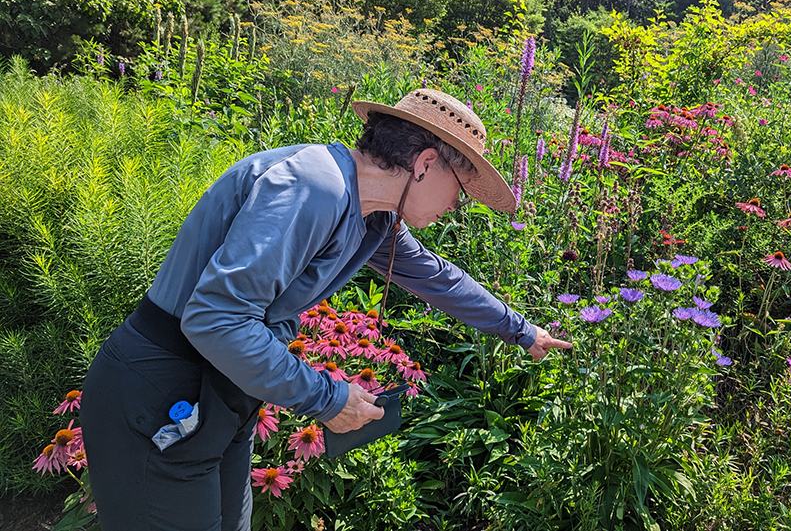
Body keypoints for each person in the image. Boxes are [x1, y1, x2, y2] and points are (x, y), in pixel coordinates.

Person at [79, 88, 573, 531]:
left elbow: (437, 278)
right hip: (161, 392)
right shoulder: (315, 187)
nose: (457, 207)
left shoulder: (372, 216)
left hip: (218, 395)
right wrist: (327, 399)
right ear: (424, 164)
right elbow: (216, 319)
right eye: (460, 191)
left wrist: (522, 331)